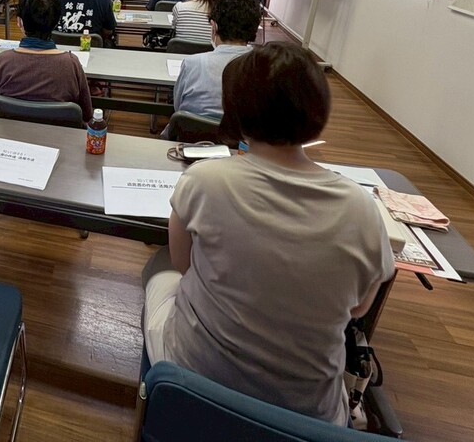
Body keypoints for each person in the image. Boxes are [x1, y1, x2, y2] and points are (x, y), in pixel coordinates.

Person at [143, 41, 394, 426]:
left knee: (160, 277)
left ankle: (150, 398)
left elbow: (182, 263)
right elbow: (359, 309)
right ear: (318, 110)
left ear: (236, 108)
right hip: (309, 417)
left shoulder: (205, 180)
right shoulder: (362, 209)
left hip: (196, 384)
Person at [0, 0, 92, 122]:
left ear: (19, 22)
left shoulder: (2, 60)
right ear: (57, 22)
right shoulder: (71, 64)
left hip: (11, 132)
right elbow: (86, 114)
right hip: (59, 133)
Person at [173, 0, 260, 120]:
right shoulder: (265, 68)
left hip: (192, 132)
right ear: (255, 29)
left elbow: (178, 106)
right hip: (241, 132)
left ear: (214, 27)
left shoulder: (192, 64)